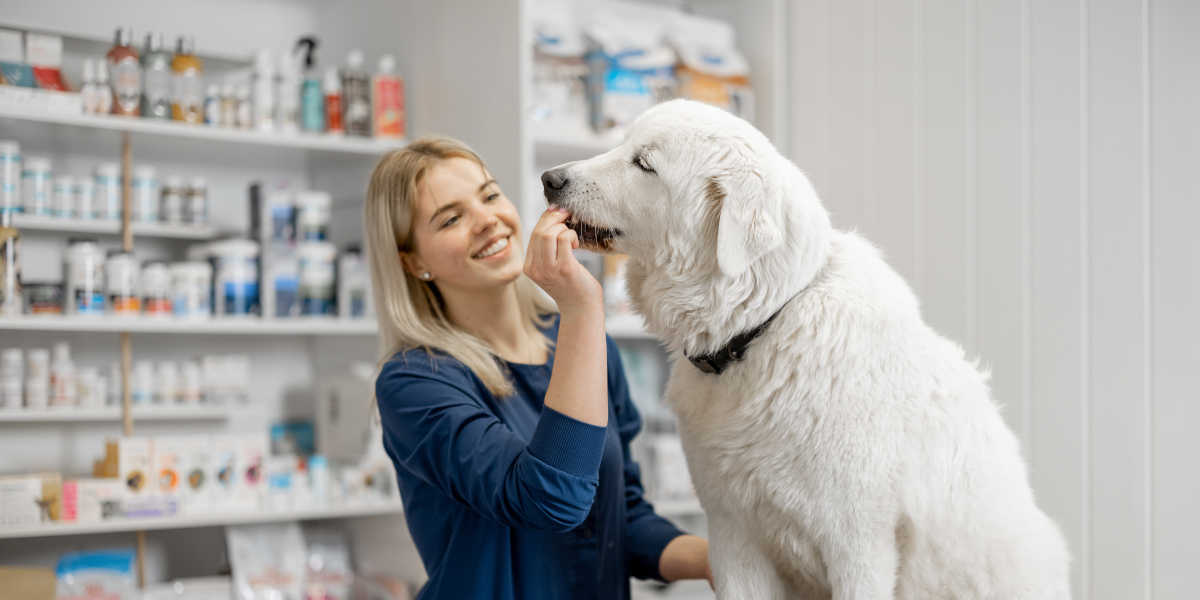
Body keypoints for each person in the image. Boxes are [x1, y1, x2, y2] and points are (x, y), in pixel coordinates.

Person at [364, 135, 712, 600]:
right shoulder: (414, 382)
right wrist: (583, 308)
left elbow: (619, 516)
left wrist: (716, 561)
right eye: (451, 218)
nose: (487, 220)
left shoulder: (581, 343)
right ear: (413, 261)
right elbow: (552, 499)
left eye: (489, 195)